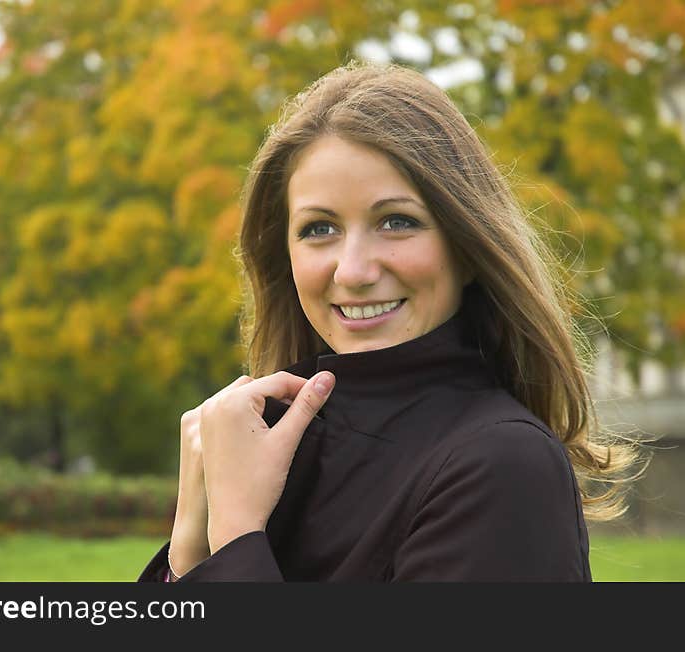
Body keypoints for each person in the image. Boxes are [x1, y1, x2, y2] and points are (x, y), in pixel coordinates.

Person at [138, 61, 638, 582]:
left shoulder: (505, 465)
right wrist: (188, 556)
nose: (353, 271)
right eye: (319, 228)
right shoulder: (274, 449)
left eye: (396, 222)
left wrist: (238, 533)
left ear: (466, 247)